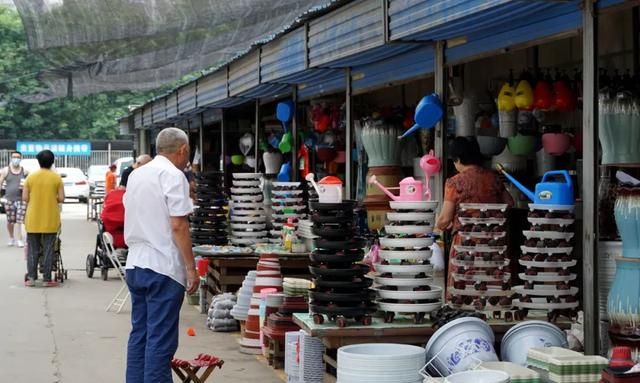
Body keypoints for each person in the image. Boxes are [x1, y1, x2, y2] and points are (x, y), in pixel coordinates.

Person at [123, 127, 198, 383]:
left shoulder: (136, 175)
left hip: (135, 264)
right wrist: (191, 268)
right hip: (163, 267)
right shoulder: (173, 175)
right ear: (183, 150)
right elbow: (179, 225)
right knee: (159, 341)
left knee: (140, 335)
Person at [435, 137, 513, 295]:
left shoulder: (454, 182)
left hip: (466, 244)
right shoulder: (493, 178)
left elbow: (444, 220)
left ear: (457, 159)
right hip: (493, 243)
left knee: (463, 290)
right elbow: (509, 203)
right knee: (493, 289)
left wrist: (442, 223)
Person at [22, 150, 65, 287]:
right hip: (50, 218)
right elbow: (62, 198)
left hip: (33, 217)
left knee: (33, 249)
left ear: (38, 161)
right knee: (48, 249)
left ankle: (32, 279)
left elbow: (24, 198)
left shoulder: (30, 177)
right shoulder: (56, 178)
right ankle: (47, 279)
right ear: (52, 162)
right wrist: (52, 197)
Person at [0, 151, 28, 247]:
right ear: (11, 158)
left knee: (20, 220)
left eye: (17, 157)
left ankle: (20, 239)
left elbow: (28, 184)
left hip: (21, 199)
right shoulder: (5, 170)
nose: (16, 159)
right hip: (9, 199)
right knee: (10, 220)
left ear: (20, 159)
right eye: (14, 157)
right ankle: (11, 237)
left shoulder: (24, 171)